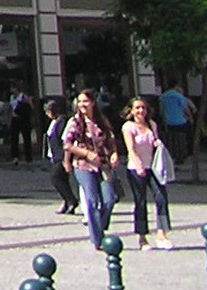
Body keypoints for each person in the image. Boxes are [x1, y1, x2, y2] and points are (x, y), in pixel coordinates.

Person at [61, 89, 118, 250]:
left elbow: (110, 139)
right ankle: (97, 239)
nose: (82, 105)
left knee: (109, 199)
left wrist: (114, 154)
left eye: (85, 101)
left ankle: (100, 226)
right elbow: (67, 144)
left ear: (93, 103)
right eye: (80, 101)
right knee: (92, 201)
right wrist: (85, 154)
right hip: (83, 165)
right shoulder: (75, 122)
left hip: (103, 164)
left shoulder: (101, 120)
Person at [120, 97, 174, 248]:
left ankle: (162, 234)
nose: (141, 111)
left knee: (161, 197)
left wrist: (157, 143)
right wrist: (138, 166)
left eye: (143, 108)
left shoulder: (151, 125)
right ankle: (142, 238)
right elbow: (130, 149)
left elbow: (154, 142)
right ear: (131, 111)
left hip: (153, 167)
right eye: (137, 108)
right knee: (141, 201)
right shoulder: (128, 127)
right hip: (136, 169)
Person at [159, 81, 197, 179]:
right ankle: (181, 156)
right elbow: (185, 108)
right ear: (175, 86)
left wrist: (164, 120)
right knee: (182, 139)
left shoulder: (163, 96)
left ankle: (174, 155)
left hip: (169, 121)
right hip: (180, 120)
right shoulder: (179, 96)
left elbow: (162, 110)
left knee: (172, 139)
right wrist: (190, 117)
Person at [45, 98, 77, 213]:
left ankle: (71, 200)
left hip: (61, 155)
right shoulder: (54, 122)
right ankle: (67, 202)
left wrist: (65, 158)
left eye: (48, 111)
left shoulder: (62, 122)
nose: (47, 114)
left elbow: (64, 140)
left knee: (56, 178)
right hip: (53, 155)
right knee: (62, 179)